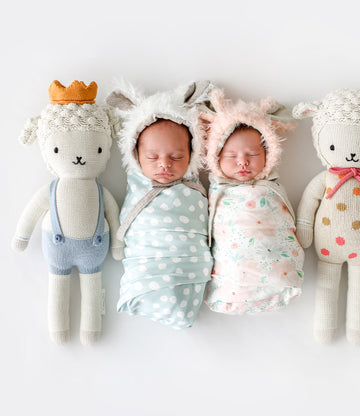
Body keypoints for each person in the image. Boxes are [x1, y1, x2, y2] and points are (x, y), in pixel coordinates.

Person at [107, 81, 213, 329]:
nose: (164, 165)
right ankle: (145, 295)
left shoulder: (194, 188)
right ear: (135, 155)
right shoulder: (138, 185)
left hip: (189, 261)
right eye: (152, 157)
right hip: (147, 259)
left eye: (176, 157)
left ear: (192, 153)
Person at [200, 88, 304, 314]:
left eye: (252, 155)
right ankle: (230, 290)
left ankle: (278, 278)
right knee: (233, 265)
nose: (243, 163)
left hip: (272, 257)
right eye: (231, 156)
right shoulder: (216, 192)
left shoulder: (271, 189)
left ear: (269, 154)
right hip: (233, 263)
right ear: (215, 156)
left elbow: (283, 223)